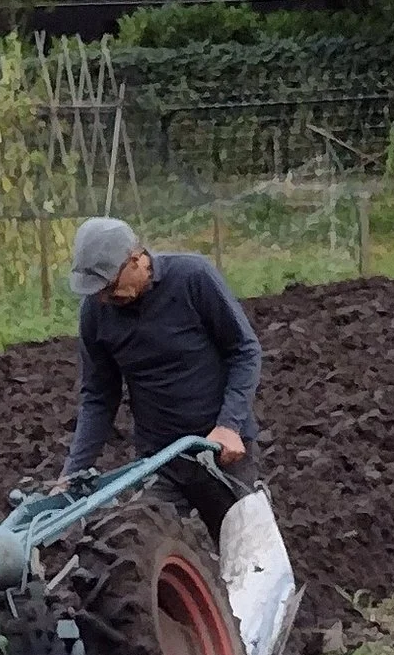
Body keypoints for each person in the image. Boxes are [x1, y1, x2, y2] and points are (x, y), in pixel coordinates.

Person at [60, 216, 264, 538]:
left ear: (137, 258)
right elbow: (99, 396)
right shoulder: (95, 313)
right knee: (146, 546)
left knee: (245, 552)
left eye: (110, 286)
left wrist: (229, 425)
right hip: (158, 461)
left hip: (220, 450)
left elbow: (244, 350)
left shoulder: (193, 277)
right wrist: (73, 472)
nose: (103, 298)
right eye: (97, 291)